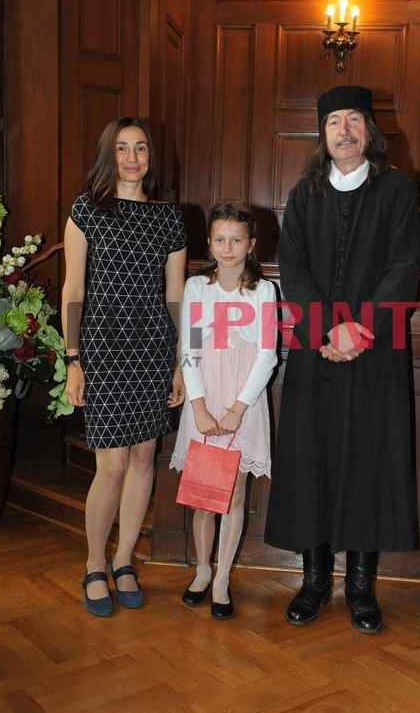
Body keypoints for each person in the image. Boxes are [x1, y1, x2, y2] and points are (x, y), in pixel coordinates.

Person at [264, 85, 420, 633]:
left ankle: (359, 587)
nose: (345, 130)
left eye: (354, 119)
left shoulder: (398, 189)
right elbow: (292, 267)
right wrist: (327, 329)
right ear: (323, 133)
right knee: (313, 460)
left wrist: (360, 329)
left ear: (369, 130)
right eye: (334, 121)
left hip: (375, 355)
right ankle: (314, 582)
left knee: (366, 462)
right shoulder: (304, 193)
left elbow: (404, 267)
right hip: (316, 352)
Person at [62, 116, 187, 616]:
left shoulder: (170, 218)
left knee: (142, 458)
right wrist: (73, 360)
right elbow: (74, 289)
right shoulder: (86, 210)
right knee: (111, 465)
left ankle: (124, 559)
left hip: (153, 349)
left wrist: (183, 362)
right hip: (102, 349)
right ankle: (94, 563)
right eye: (121, 147)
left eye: (140, 147)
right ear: (108, 154)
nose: (132, 157)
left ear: (151, 155)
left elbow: (177, 298)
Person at [170, 202, 277, 618]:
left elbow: (267, 356)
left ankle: (222, 579)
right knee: (203, 497)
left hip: (242, 405)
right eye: (219, 240)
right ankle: (202, 570)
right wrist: (198, 407)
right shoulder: (198, 287)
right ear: (209, 243)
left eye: (236, 240)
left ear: (251, 244)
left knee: (232, 495)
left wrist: (236, 410)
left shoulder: (263, 291)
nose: (227, 248)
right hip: (206, 400)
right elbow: (190, 350)